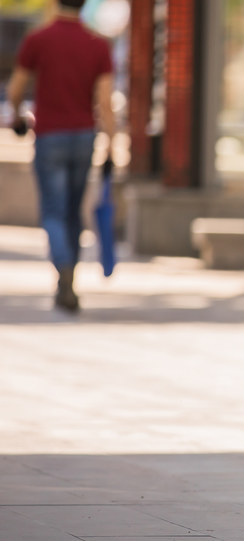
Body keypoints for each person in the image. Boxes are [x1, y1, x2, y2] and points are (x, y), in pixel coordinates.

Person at [7, 0, 116, 313]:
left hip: (50, 135)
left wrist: (16, 116)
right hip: (84, 136)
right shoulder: (97, 44)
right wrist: (110, 143)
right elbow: (105, 101)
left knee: (53, 210)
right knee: (72, 211)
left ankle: (64, 274)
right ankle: (69, 278)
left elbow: (16, 88)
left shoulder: (39, 40)